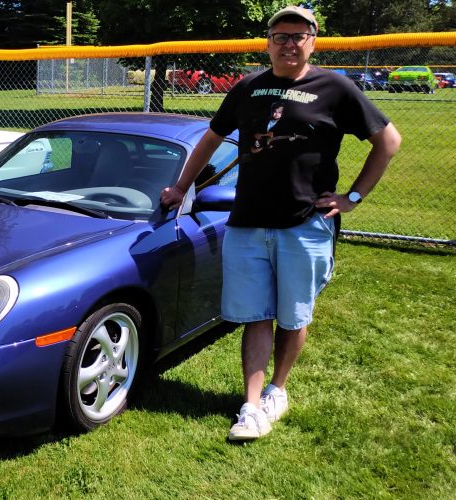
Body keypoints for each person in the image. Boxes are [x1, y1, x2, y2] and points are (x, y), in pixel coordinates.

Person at [160, 5, 401, 441]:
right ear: (268, 42)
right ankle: (251, 406)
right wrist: (181, 187)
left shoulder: (336, 88)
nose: (289, 44)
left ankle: (278, 389)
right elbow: (211, 138)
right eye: (281, 36)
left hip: (305, 223)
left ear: (313, 41)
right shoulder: (248, 87)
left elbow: (389, 140)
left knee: (293, 314)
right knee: (255, 314)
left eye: (298, 36)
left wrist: (353, 196)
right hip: (248, 222)